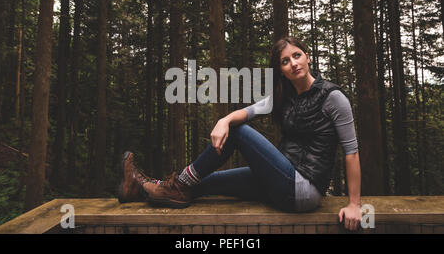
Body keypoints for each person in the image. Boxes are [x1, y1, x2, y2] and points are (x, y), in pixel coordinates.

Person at [117, 36, 362, 231]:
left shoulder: (333, 97)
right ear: (281, 69)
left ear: (307, 57)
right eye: (285, 61)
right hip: (280, 180)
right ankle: (140, 188)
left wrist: (354, 204)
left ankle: (177, 184)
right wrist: (224, 119)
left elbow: (351, 152)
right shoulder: (283, 97)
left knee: (238, 132)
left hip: (303, 190)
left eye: (297, 56)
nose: (293, 63)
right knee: (205, 181)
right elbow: (248, 111)